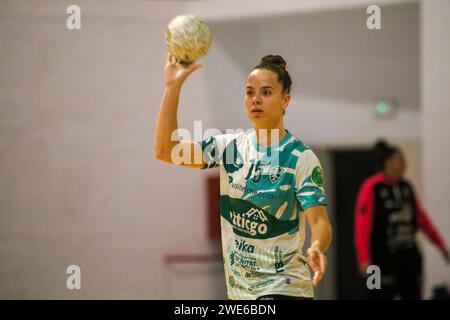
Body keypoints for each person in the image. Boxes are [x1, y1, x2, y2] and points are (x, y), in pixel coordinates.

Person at [155, 53, 332, 300]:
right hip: (241, 294)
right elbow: (167, 151)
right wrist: (172, 88)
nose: (256, 99)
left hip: (285, 288)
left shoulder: (300, 158)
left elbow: (320, 222)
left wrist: (316, 246)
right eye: (250, 92)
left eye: (266, 92)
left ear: (285, 100)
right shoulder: (230, 148)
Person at [354, 140, 449, 300]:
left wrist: (441, 246)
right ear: (388, 162)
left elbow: (422, 220)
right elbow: (362, 226)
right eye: (401, 160)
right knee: (375, 294)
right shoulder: (371, 187)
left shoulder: (406, 186)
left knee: (412, 294)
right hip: (378, 262)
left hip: (407, 258)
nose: (405, 165)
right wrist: (364, 257)